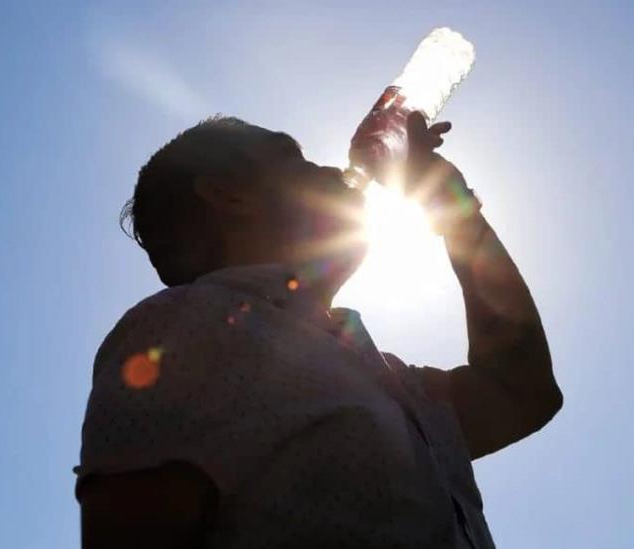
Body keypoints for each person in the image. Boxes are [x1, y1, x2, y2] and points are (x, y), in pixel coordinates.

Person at [74, 112, 563, 548]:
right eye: (295, 158)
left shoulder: (385, 375)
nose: (331, 171)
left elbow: (520, 392)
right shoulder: (183, 327)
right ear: (229, 195)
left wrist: (458, 216)